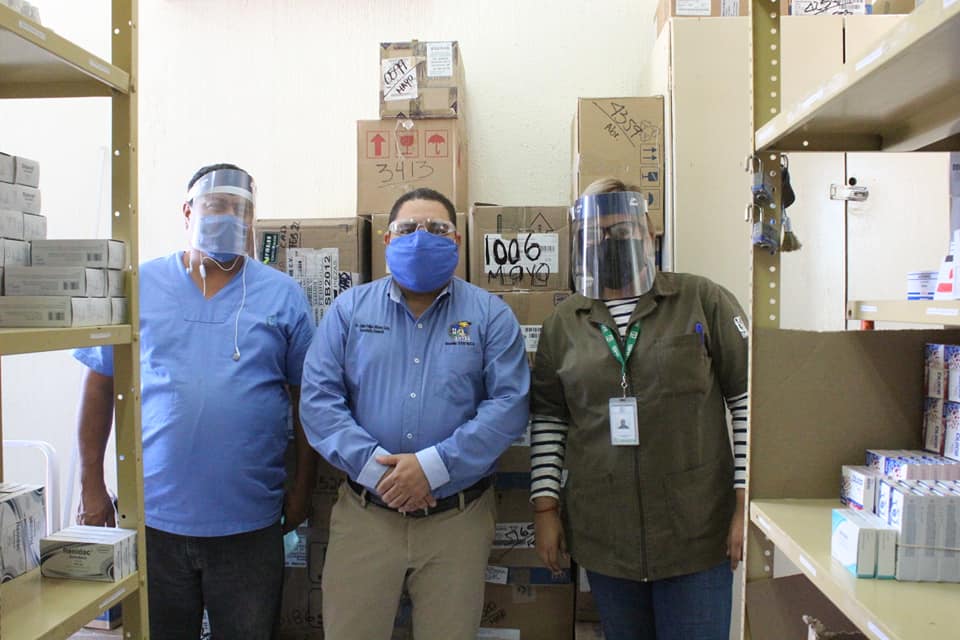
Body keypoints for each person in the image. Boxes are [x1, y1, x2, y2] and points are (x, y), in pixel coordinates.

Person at [74, 163, 317, 639]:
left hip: (249, 524)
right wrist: (91, 484)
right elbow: (100, 386)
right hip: (153, 521)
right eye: (217, 205)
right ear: (188, 211)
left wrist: (303, 488)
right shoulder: (139, 287)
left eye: (241, 209)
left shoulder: (282, 296)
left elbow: (306, 400)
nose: (230, 216)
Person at [299, 187, 530, 640]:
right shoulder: (349, 310)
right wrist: (381, 473)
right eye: (407, 229)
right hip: (366, 518)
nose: (421, 237)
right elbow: (318, 401)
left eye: (437, 229)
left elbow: (509, 405)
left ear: (457, 241)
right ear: (387, 240)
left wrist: (433, 468)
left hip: (457, 521)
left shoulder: (490, 315)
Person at [530, 178, 749, 640]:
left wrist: (744, 503)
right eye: (595, 234)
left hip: (696, 533)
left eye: (622, 230)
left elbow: (748, 399)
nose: (608, 241)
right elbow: (549, 418)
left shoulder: (702, 300)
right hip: (606, 538)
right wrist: (546, 509)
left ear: (649, 234)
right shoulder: (563, 324)